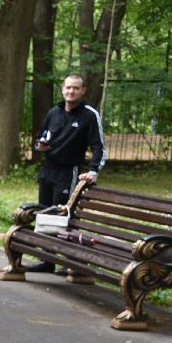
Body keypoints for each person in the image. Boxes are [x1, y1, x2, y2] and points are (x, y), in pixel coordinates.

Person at [28, 73, 106, 274]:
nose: (71, 91)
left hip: (68, 172)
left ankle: (73, 263)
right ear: (63, 89)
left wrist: (93, 170)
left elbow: (99, 147)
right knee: (45, 215)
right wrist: (40, 145)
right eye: (68, 87)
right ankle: (47, 261)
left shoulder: (89, 115)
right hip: (48, 170)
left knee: (64, 216)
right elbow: (40, 137)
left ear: (83, 91)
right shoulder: (54, 112)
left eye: (76, 88)